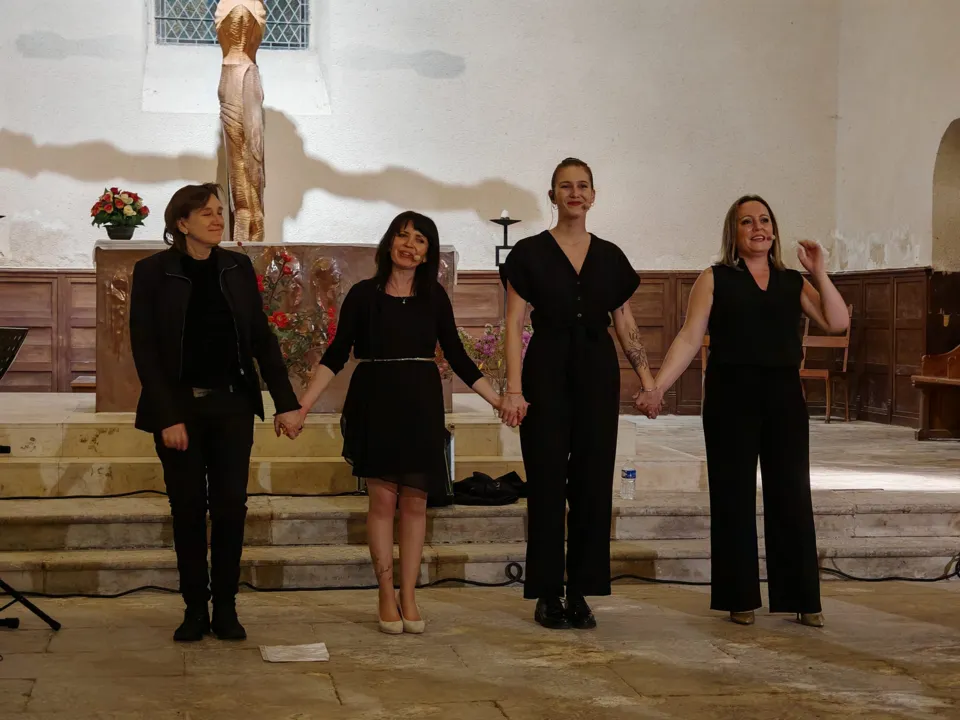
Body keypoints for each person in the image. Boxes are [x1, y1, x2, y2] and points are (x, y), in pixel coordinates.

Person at [635, 194, 849, 627]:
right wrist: (657, 388)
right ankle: (739, 596)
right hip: (730, 395)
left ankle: (801, 597)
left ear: (774, 230)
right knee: (732, 495)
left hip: (783, 396)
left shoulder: (792, 281)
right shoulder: (714, 278)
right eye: (747, 222)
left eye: (764, 220)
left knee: (791, 494)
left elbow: (838, 322)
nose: (758, 228)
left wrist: (820, 272)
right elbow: (689, 338)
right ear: (733, 232)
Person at [293, 211, 500, 634]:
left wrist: (499, 400)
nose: (409, 245)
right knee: (383, 502)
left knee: (416, 503)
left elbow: (458, 357)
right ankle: (385, 593)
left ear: (428, 252)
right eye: (403, 236)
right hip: (376, 400)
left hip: (420, 402)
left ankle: (409, 594)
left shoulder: (434, 297)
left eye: (419, 239)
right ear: (390, 242)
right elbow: (336, 354)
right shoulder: (363, 295)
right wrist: (303, 406)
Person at [129, 183, 303, 642]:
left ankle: (225, 607)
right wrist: (168, 416)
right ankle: (194, 609)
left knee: (230, 508)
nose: (216, 219)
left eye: (219, 211)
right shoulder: (153, 272)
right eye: (205, 212)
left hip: (232, 404)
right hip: (179, 407)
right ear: (181, 222)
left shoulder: (235, 267)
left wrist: (286, 403)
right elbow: (145, 350)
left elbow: (261, 338)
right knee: (187, 509)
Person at [499, 158, 657, 630]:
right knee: (547, 483)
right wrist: (513, 388)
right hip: (546, 369)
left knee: (592, 483)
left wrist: (648, 381)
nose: (574, 193)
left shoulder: (610, 256)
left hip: (597, 371)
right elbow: (514, 322)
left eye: (582, 185)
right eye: (565, 186)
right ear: (552, 196)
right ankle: (548, 592)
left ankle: (582, 591)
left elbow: (624, 322)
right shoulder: (528, 253)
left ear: (593, 195)